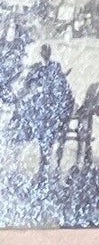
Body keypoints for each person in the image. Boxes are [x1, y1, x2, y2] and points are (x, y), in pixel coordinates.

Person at [10, 43, 73, 178]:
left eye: (47, 52)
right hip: (42, 102)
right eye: (44, 52)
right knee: (31, 111)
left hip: (50, 102)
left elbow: (60, 82)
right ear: (41, 54)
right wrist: (35, 88)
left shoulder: (55, 66)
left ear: (49, 53)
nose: (45, 54)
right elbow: (28, 84)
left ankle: (48, 153)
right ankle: (31, 135)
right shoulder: (37, 68)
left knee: (53, 114)